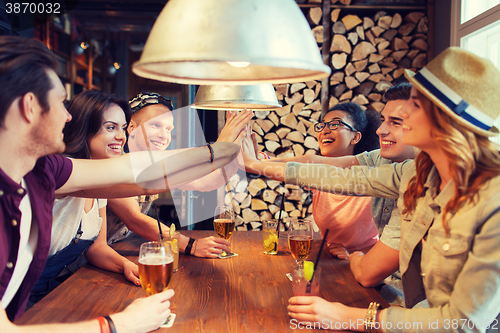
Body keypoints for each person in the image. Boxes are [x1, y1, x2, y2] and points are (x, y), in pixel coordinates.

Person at [0, 36, 248, 331]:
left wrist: (216, 152)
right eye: (60, 103)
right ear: (30, 107)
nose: (67, 115)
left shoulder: (46, 170)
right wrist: (118, 324)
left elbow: (137, 176)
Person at [284, 47, 500, 331]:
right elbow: (347, 178)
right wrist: (255, 164)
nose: (401, 115)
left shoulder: (492, 203)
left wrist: (345, 316)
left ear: (444, 121)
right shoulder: (423, 175)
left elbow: (463, 322)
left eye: (415, 105)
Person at [243, 83, 415, 288]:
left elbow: (341, 178)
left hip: (387, 289)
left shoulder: (412, 179)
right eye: (383, 120)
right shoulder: (381, 160)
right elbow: (314, 162)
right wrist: (258, 163)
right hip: (354, 270)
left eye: (396, 122)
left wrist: (355, 255)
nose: (380, 130)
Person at [27, 91, 140, 306]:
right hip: (15, 297)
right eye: (110, 127)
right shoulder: (62, 174)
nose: (121, 136)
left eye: (123, 128)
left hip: (49, 292)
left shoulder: (100, 181)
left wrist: (125, 265)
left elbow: (96, 248)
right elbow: (143, 181)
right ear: (85, 128)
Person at [106, 92, 240, 258]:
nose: (164, 135)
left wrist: (237, 162)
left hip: (114, 252)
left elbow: (205, 183)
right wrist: (192, 245)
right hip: (80, 265)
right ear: (131, 128)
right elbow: (134, 219)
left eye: (168, 129)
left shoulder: (155, 166)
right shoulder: (113, 164)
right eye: (155, 125)